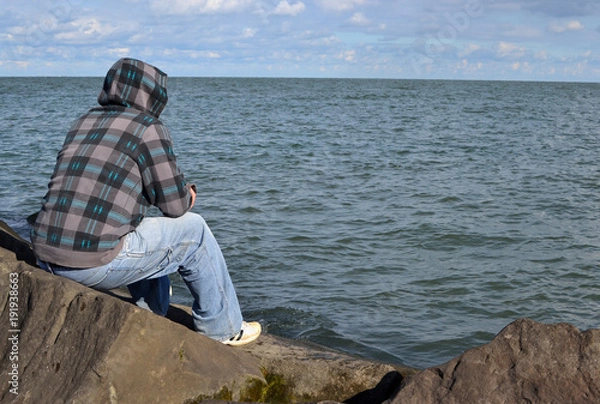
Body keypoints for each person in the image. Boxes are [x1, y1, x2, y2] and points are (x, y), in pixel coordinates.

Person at [30, 58, 261, 346]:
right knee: (195, 231)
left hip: (44, 254)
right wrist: (189, 193)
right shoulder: (148, 127)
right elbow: (174, 206)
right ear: (154, 95)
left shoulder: (84, 121)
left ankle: (151, 314)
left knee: (142, 228)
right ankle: (223, 329)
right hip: (87, 264)